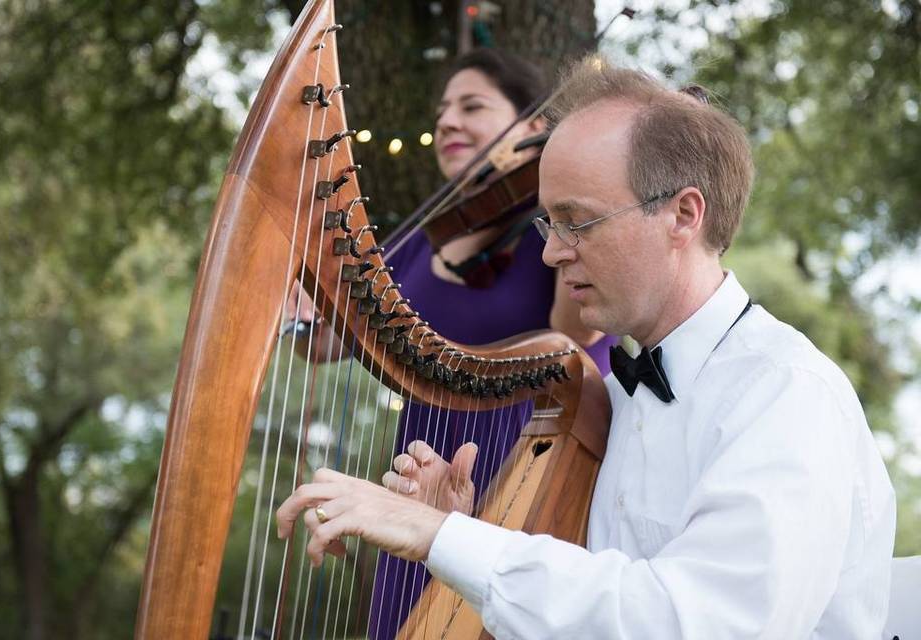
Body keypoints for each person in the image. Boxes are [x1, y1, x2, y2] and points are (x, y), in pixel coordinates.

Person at [276, 54, 898, 638]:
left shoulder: (784, 394)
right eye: (549, 222)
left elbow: (696, 622)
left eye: (579, 221)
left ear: (683, 215)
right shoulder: (612, 406)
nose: (550, 251)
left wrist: (441, 536)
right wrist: (465, 526)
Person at [288, 49, 618, 638]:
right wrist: (301, 302)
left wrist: (559, 197)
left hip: (535, 474)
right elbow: (324, 345)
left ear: (536, 128)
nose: (447, 122)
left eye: (472, 106)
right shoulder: (419, 243)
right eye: (442, 111)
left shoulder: (562, 230)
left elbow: (576, 333)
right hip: (418, 488)